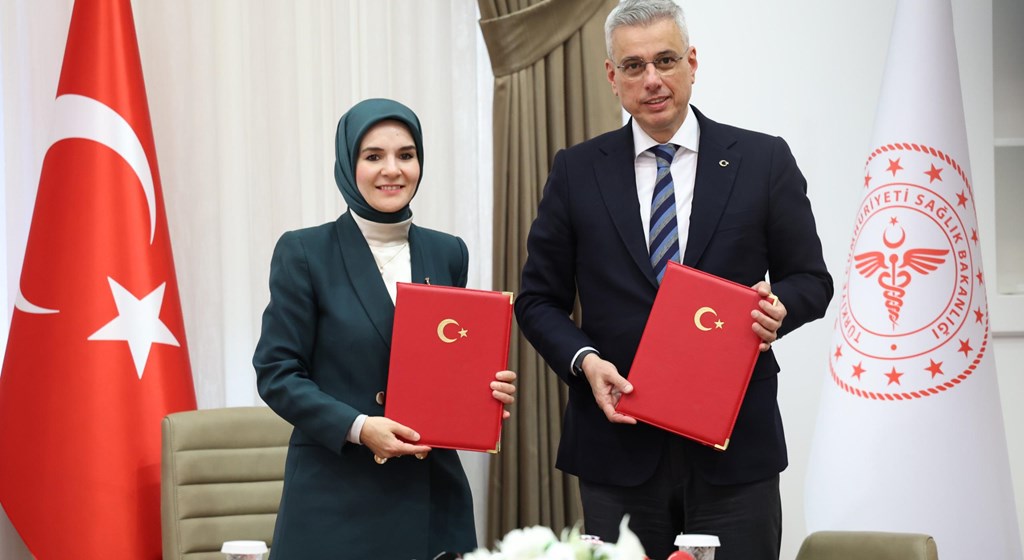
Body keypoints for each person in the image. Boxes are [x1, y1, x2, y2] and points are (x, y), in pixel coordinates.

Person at [514, 2, 833, 560]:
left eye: (665, 60)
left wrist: (780, 307)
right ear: (612, 76)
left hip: (736, 446)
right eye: (633, 66)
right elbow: (538, 300)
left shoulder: (762, 159)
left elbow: (811, 279)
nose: (652, 80)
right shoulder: (576, 171)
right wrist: (585, 361)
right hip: (616, 447)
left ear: (692, 62)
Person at [253, 98, 517, 559]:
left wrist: (483, 393)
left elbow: (444, 359)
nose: (392, 170)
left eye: (406, 155)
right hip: (336, 497)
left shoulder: (448, 252)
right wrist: (358, 427)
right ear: (348, 163)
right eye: (373, 156)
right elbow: (277, 373)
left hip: (430, 495)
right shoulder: (305, 252)